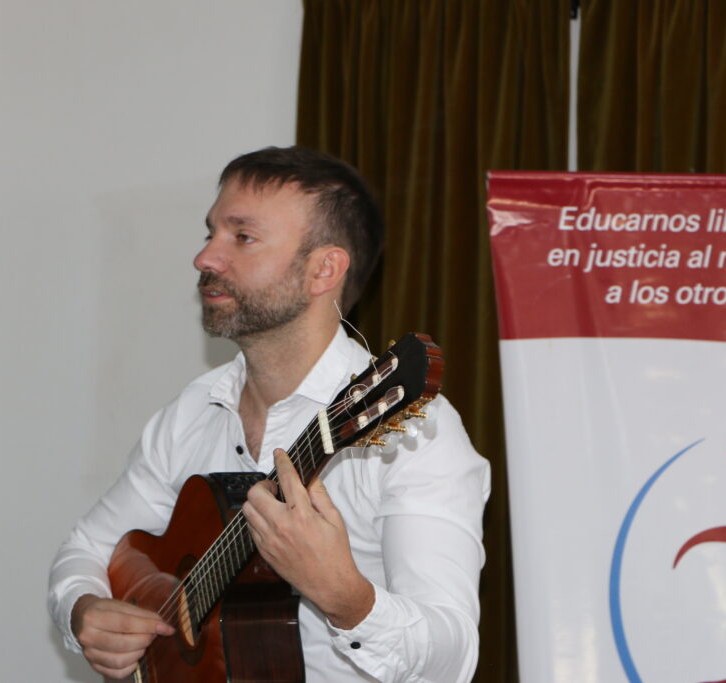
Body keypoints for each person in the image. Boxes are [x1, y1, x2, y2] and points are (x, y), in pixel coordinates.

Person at [48, 146, 491, 682]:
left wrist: (344, 596)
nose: (205, 257)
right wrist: (83, 610)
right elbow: (86, 549)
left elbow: (452, 659)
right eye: (210, 233)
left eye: (242, 237)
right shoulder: (193, 412)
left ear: (323, 269)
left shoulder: (420, 432)